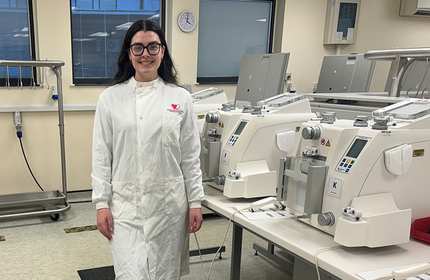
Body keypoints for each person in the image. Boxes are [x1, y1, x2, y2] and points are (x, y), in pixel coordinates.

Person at [91, 19, 204, 280]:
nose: (146, 55)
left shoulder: (180, 98)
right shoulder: (110, 99)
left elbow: (189, 155)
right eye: (138, 48)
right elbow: (101, 155)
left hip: (169, 206)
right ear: (129, 53)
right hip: (126, 206)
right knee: (131, 272)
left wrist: (195, 201)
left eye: (153, 47)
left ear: (162, 51)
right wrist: (101, 204)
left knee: (165, 273)